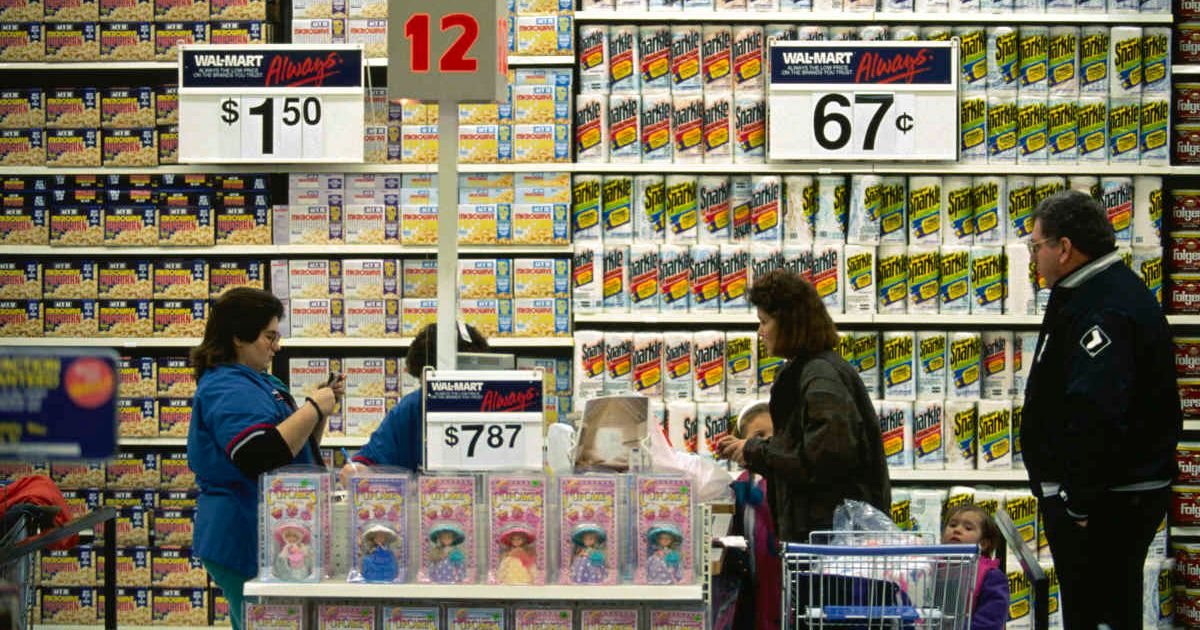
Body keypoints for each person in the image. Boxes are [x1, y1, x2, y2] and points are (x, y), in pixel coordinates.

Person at [1022, 190, 1180, 630]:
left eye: (1035, 246)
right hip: (1106, 495)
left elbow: (1097, 410)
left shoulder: (1105, 306)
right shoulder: (1086, 291)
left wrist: (1078, 501)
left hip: (1109, 501)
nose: (1032, 257)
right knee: (1098, 608)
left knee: (1098, 613)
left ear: (1065, 248)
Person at [187, 288, 344, 630]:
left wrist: (318, 414)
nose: (277, 346)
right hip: (242, 531)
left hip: (270, 529)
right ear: (238, 337)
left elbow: (291, 448)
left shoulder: (259, 380)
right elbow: (257, 456)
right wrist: (313, 407)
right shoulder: (226, 386)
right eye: (268, 336)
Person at [717, 270, 891, 543]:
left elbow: (824, 459)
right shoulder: (812, 371)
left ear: (788, 323)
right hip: (824, 537)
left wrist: (755, 450)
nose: (760, 332)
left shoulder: (821, 377)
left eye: (764, 322)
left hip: (832, 543)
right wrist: (752, 453)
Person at [341, 322, 489, 479]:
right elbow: (371, 456)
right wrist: (358, 470)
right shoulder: (412, 407)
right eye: (426, 384)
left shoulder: (502, 404)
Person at [721, 401, 782, 630]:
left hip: (785, 565)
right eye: (759, 435)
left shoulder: (791, 480)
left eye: (777, 434)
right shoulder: (743, 484)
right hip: (755, 569)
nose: (768, 441)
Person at [941, 505, 1008, 630]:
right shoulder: (935, 567)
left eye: (968, 528)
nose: (957, 530)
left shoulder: (991, 576)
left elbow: (992, 619)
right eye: (952, 525)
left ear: (983, 543)